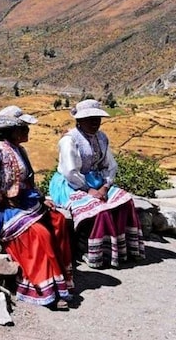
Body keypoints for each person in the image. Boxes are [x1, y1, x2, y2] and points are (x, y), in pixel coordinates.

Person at [0, 105, 74, 309]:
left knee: (58, 220)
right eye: (24, 127)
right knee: (39, 233)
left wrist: (40, 198)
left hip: (22, 201)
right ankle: (45, 290)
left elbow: (26, 180)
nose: (27, 131)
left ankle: (62, 279)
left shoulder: (19, 150)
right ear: (12, 129)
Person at [49, 99, 145, 268]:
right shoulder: (69, 140)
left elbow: (110, 165)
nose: (95, 122)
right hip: (70, 184)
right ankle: (90, 250)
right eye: (90, 118)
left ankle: (121, 250)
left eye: (97, 118)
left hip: (97, 181)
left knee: (125, 201)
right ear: (79, 120)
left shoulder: (101, 138)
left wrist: (105, 186)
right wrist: (89, 190)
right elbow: (70, 171)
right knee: (98, 208)